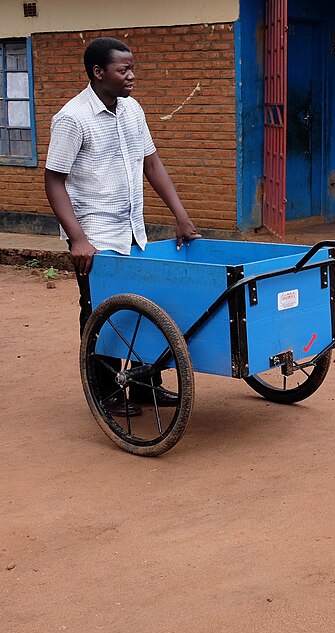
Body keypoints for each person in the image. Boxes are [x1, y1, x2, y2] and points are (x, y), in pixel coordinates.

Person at [44, 37, 201, 416]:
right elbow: (53, 179)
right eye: (123, 69)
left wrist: (181, 216)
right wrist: (78, 239)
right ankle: (106, 391)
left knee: (144, 307)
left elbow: (152, 164)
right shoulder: (72, 118)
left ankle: (146, 385)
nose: (132, 76)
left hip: (132, 229)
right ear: (99, 73)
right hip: (94, 234)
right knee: (102, 310)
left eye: (133, 68)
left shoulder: (132, 110)